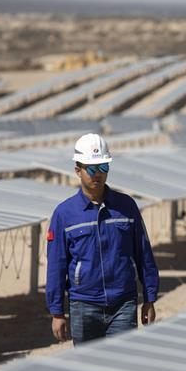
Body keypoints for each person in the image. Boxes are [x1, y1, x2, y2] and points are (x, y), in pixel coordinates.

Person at [46, 133, 159, 344]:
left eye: (104, 167)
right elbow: (56, 265)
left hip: (123, 303)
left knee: (120, 368)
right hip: (83, 305)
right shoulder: (64, 214)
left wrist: (150, 297)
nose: (98, 174)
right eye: (91, 168)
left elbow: (143, 253)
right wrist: (57, 312)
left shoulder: (126, 207)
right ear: (78, 170)